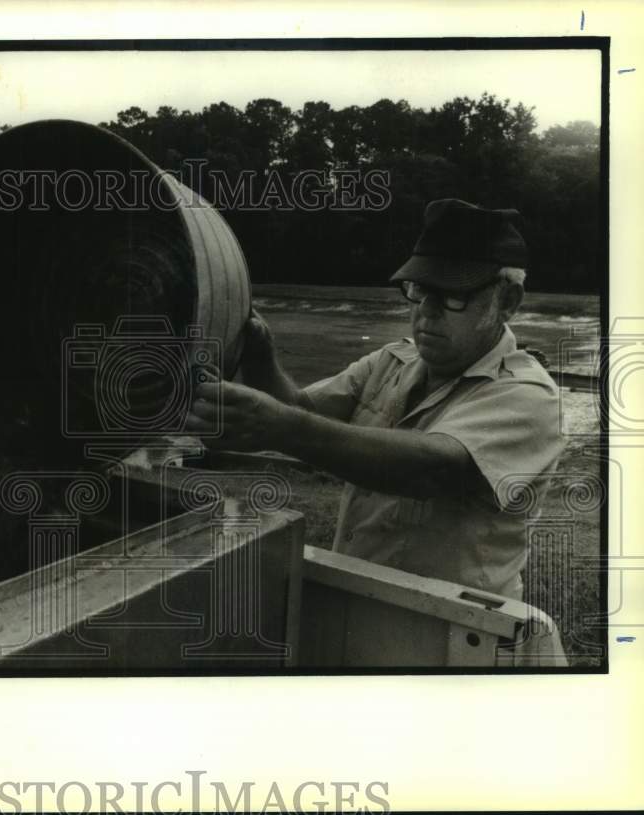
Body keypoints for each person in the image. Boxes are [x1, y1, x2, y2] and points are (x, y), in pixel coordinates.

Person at [187, 199, 564, 607]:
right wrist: (261, 355)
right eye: (419, 291)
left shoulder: (528, 395)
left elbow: (431, 470)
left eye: (453, 295)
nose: (426, 313)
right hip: (354, 596)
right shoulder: (391, 360)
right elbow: (302, 410)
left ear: (508, 301)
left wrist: (280, 427)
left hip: (454, 627)